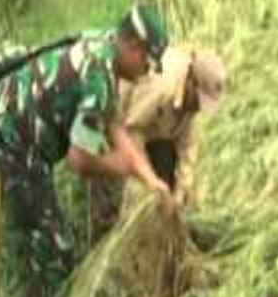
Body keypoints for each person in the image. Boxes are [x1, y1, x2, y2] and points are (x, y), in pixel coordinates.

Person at [0, 2, 175, 297]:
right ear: (134, 47)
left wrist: (147, 176)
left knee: (68, 221)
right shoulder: (98, 78)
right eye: (148, 62)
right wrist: (116, 165)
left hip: (16, 104)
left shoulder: (103, 43)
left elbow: (114, 125)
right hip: (15, 136)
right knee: (57, 254)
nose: (148, 73)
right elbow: (79, 161)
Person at [88, 46, 228, 242]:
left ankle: (160, 235)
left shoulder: (190, 104)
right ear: (191, 82)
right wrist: (149, 180)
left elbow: (187, 146)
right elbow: (131, 132)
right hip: (115, 119)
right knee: (113, 195)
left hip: (148, 127)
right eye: (199, 100)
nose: (199, 108)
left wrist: (179, 194)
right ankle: (106, 243)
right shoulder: (161, 86)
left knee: (166, 183)